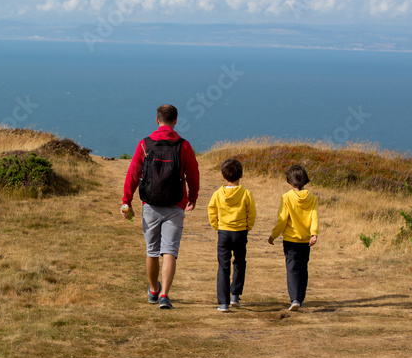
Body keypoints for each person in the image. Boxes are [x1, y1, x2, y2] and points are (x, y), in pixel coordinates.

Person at [122, 104, 199, 309]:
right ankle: (165, 295)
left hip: (151, 204)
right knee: (170, 251)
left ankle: (153, 290)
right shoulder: (183, 145)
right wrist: (193, 196)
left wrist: (126, 201)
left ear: (157, 120)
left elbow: (133, 174)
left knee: (152, 251)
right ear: (175, 121)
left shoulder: (145, 144)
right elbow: (193, 174)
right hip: (175, 204)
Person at [268, 164, 319, 312]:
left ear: (289, 182)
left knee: (292, 269)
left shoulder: (287, 198)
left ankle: (295, 299)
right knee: (303, 268)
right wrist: (314, 233)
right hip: (305, 239)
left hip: (290, 240)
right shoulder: (312, 198)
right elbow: (314, 217)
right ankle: (300, 298)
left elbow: (282, 220)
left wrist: (273, 235)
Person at [207, 158, 256, 313]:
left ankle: (223, 303)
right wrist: (248, 226)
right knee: (240, 263)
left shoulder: (217, 194)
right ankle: (235, 295)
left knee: (223, 266)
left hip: (224, 232)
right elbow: (252, 212)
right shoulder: (246, 193)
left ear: (223, 175)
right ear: (241, 175)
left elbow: (211, 211)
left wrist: (217, 226)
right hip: (241, 232)